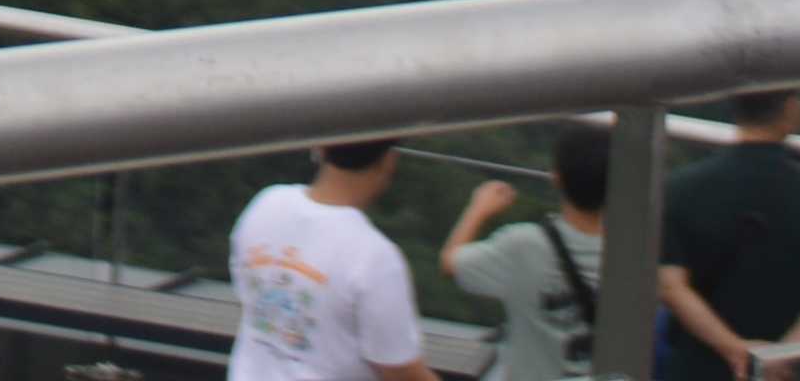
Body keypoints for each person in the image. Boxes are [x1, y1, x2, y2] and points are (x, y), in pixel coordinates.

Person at [653, 91, 800, 381]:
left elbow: (670, 286)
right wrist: (778, 357)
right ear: (792, 110)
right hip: (786, 375)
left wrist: (733, 349)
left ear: (737, 108)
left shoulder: (679, 190)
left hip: (697, 368)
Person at [232, 141, 431, 381]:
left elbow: (248, 301)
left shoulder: (266, 204)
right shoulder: (375, 256)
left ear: (321, 147)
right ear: (389, 160)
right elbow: (402, 373)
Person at [439, 123, 615, 381]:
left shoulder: (522, 246)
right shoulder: (631, 258)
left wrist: (478, 210)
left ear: (557, 180)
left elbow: (451, 263)